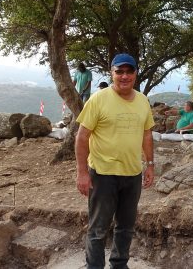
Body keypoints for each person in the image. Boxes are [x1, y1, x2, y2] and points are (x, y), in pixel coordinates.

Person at [75, 53, 155, 269]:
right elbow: (82, 136)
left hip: (132, 175)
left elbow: (147, 134)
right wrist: (82, 173)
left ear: (135, 74)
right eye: (119, 71)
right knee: (98, 228)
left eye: (129, 71)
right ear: (112, 73)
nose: (124, 76)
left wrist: (150, 165)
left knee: (126, 227)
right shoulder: (98, 99)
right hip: (102, 174)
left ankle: (119, 264)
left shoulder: (142, 100)